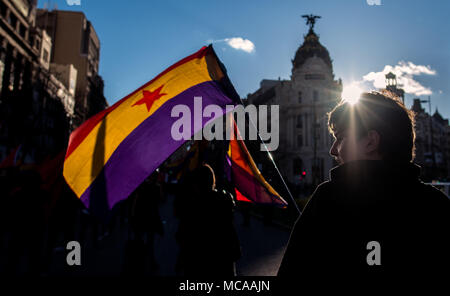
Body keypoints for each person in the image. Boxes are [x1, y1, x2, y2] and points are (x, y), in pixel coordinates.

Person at [278, 91, 449, 279]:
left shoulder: (329, 201)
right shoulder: (436, 205)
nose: (333, 149)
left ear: (370, 141)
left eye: (341, 138)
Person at [175, 164, 241, 276]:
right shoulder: (223, 203)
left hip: (198, 265)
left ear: (196, 184)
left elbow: (182, 237)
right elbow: (230, 233)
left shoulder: (192, 206)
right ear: (212, 181)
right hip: (223, 263)